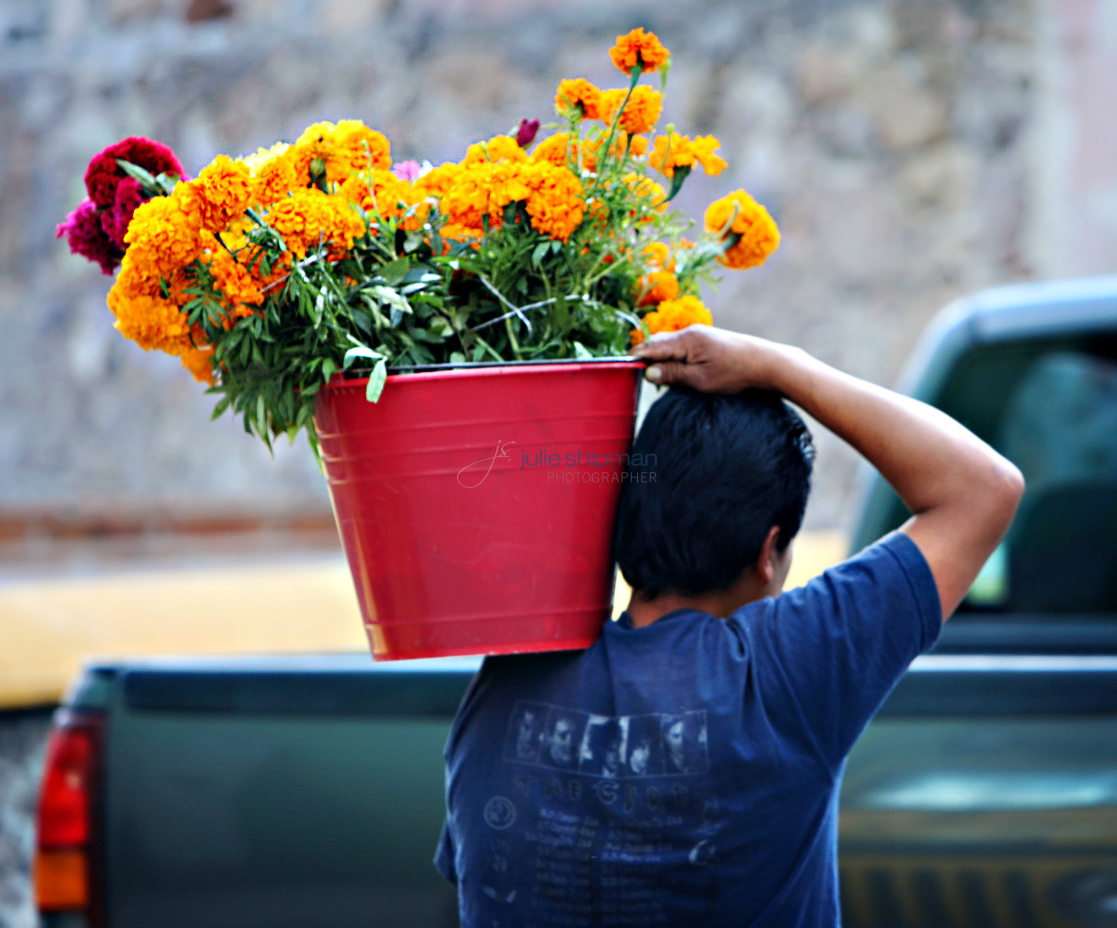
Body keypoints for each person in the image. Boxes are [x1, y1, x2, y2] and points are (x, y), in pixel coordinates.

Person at [435, 325, 1024, 927]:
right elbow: (984, 488)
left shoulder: (507, 683)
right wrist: (780, 363)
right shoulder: (782, 677)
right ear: (769, 552)